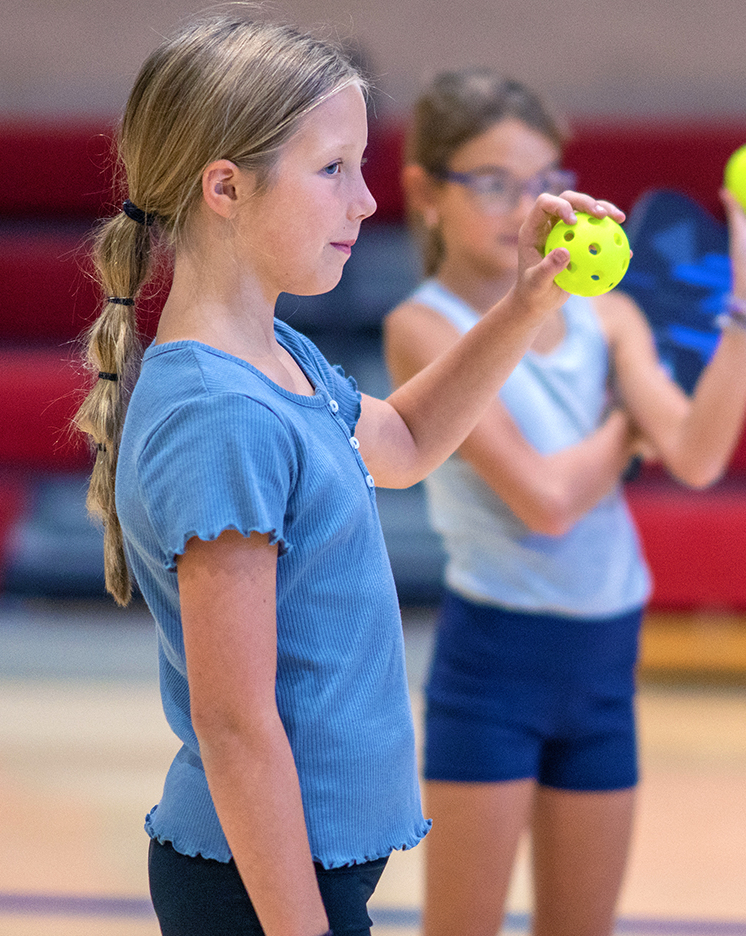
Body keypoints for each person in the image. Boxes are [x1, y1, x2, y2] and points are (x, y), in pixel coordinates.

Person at [68, 17, 622, 936]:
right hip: (258, 893)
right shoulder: (223, 415)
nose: (366, 203)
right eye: (333, 170)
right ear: (225, 188)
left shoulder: (276, 358)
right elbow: (236, 724)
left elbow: (402, 440)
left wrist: (528, 301)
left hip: (289, 880)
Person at [382, 69, 746, 936]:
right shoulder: (424, 327)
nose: (527, 203)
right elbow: (545, 499)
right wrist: (627, 428)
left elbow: (696, 455)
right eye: (495, 182)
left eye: (545, 179)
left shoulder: (607, 318)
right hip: (496, 663)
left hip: (605, 660)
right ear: (427, 192)